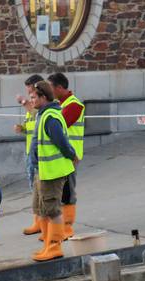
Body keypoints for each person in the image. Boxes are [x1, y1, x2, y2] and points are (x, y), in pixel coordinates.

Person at [28, 81, 78, 262]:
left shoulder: (50, 117)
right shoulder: (44, 115)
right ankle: (47, 246)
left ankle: (55, 247)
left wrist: (71, 155)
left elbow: (62, 142)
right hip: (44, 171)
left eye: (34, 97)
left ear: (44, 97)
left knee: (52, 210)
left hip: (53, 172)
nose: (31, 100)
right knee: (44, 209)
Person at [48, 72, 85, 240]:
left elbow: (58, 126)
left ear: (60, 88)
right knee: (60, 192)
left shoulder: (74, 105)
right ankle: (60, 227)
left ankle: (67, 228)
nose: (49, 91)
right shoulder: (58, 104)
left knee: (68, 192)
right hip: (62, 156)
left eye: (50, 88)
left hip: (70, 156)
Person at [14, 74, 45, 236]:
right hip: (30, 151)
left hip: (40, 152)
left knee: (41, 189)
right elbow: (31, 123)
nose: (30, 96)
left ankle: (43, 222)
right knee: (34, 189)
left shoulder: (42, 103)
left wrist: (23, 102)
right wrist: (22, 128)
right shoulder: (32, 104)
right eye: (28, 93)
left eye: (32, 92)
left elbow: (36, 115)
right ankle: (38, 221)